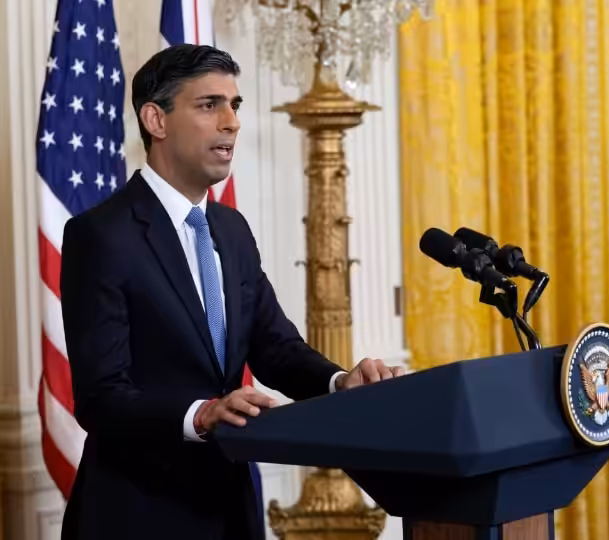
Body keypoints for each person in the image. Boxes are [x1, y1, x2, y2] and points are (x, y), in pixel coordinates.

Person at [58, 44, 403, 540]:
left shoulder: (230, 228)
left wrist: (340, 383)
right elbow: (101, 397)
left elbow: (275, 347)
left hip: (229, 506)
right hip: (137, 511)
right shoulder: (101, 235)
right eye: (208, 105)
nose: (231, 122)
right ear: (156, 119)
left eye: (235, 105)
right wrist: (199, 415)